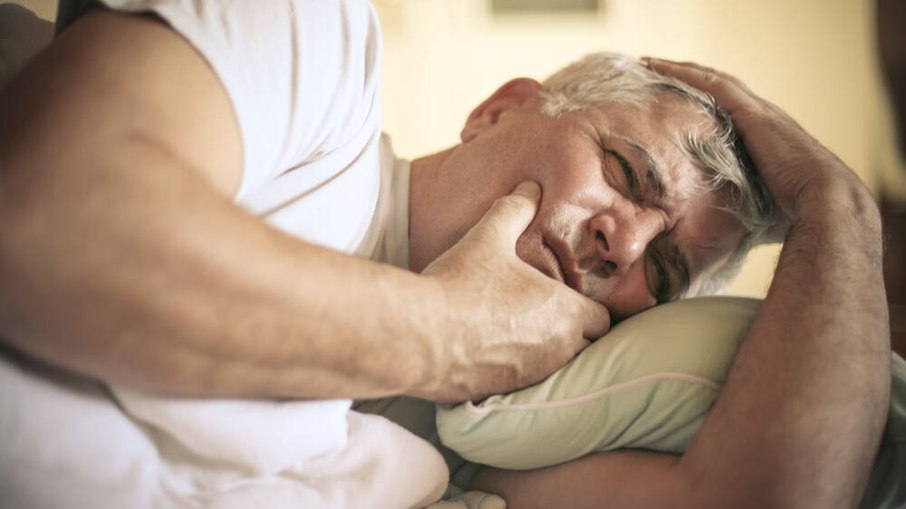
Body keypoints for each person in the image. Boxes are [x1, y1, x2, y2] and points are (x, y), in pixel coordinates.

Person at [0, 1, 888, 508]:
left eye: (663, 274)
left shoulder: (495, 432)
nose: (624, 244)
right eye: (625, 171)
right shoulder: (322, 52)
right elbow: (42, 215)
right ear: (500, 110)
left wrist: (837, 204)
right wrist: (445, 333)